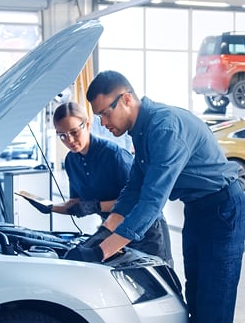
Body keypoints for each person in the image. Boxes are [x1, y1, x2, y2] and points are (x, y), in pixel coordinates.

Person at [73, 71, 245, 323]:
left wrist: (105, 250)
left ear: (126, 100)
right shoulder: (142, 131)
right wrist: (98, 237)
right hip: (200, 211)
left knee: (214, 307)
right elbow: (132, 192)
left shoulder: (165, 128)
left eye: (104, 113)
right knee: (197, 302)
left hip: (223, 212)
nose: (103, 124)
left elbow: (152, 202)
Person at [51, 102, 171, 264]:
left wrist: (95, 206)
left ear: (87, 124)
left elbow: (137, 199)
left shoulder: (114, 155)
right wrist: (50, 207)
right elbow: (77, 202)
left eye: (74, 132)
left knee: (156, 281)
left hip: (145, 230)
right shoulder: (71, 160)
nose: (69, 140)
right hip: (110, 229)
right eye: (62, 135)